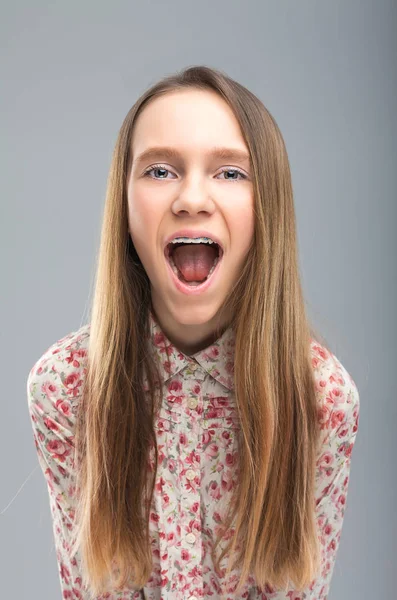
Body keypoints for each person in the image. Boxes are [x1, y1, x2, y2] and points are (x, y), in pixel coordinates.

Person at [26, 65, 360, 600]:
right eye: (160, 171)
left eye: (230, 173)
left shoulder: (320, 400)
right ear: (126, 205)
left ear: (266, 208)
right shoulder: (66, 388)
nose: (192, 198)